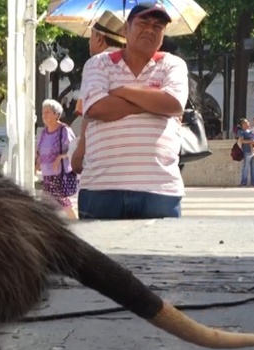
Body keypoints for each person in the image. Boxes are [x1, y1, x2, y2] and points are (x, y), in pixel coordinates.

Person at [77, 3, 188, 220]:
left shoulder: (173, 65)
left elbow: (174, 104)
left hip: (160, 189)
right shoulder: (98, 64)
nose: (150, 29)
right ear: (125, 29)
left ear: (163, 37)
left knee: (160, 254)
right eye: (143, 23)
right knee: (98, 254)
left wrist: (120, 90)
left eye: (158, 26)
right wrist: (153, 102)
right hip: (101, 187)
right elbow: (96, 108)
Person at [71, 10, 126, 173]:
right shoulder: (135, 61)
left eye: (91, 37)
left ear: (100, 38)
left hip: (103, 156)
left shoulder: (95, 63)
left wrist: (79, 152)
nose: (89, 43)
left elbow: (87, 111)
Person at [36, 99, 78, 219]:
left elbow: (74, 148)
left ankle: (74, 222)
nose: (44, 115)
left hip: (59, 174)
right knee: (52, 204)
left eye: (47, 112)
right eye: (43, 112)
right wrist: (37, 164)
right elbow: (40, 151)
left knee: (59, 203)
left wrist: (60, 157)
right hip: (47, 174)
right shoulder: (44, 132)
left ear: (56, 114)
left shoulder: (64, 130)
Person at [237, 118, 254, 187]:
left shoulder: (250, 131)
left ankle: (253, 182)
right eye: (246, 122)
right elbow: (242, 141)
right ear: (243, 124)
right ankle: (243, 182)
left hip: (253, 150)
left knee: (253, 166)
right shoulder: (241, 132)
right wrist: (250, 141)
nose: (248, 123)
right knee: (246, 166)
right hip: (246, 151)